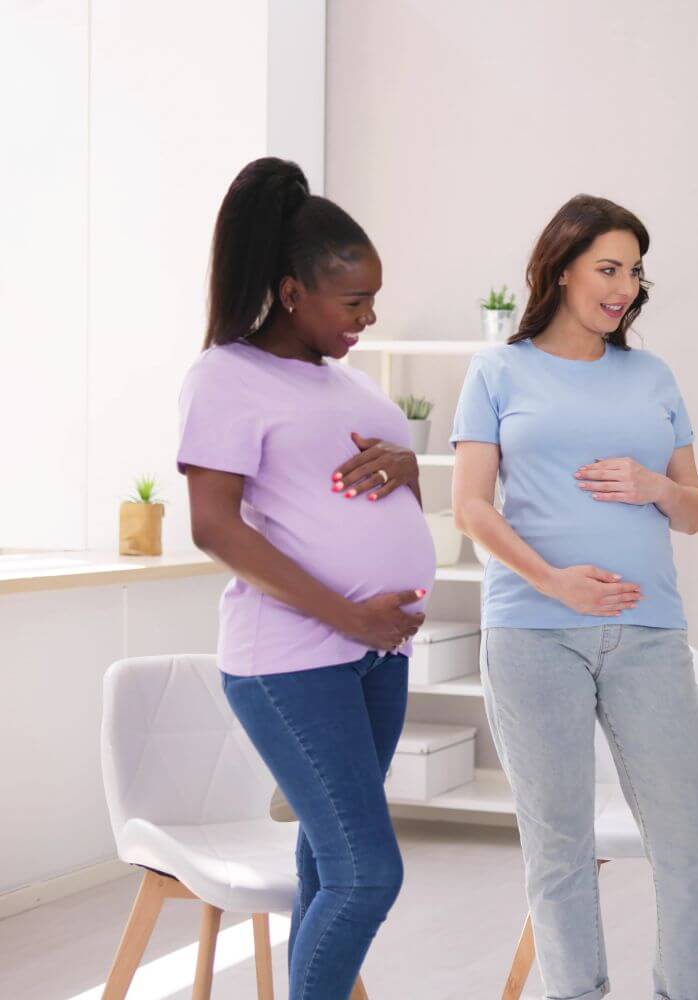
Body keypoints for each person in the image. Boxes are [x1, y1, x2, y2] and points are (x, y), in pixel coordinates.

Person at [450, 195, 698, 1000]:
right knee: (560, 848)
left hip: (647, 632)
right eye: (608, 269)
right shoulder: (498, 370)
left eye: (634, 272)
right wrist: (551, 581)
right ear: (561, 267)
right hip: (534, 633)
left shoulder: (653, 375)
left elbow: (697, 508)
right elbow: (470, 506)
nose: (624, 288)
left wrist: (653, 486)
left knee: (691, 843)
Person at [178, 157, 434, 998]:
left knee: (330, 864)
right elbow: (212, 524)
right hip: (290, 659)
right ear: (292, 292)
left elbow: (391, 502)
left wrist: (409, 467)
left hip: (376, 659)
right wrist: (349, 617)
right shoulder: (226, 376)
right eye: (353, 302)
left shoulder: (351, 383)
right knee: (367, 874)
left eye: (372, 299)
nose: (368, 317)